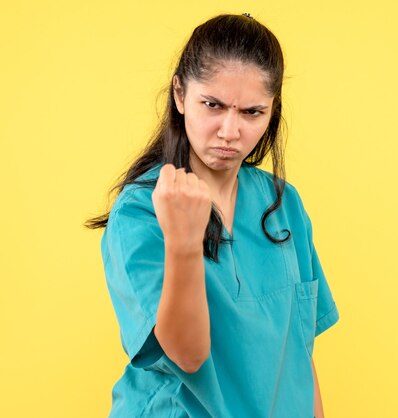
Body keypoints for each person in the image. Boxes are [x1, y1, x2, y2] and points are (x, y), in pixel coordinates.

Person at [84, 13, 340, 418]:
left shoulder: (283, 203)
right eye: (213, 105)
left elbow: (299, 352)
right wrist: (184, 242)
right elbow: (187, 355)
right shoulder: (140, 212)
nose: (229, 131)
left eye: (252, 112)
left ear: (272, 111)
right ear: (180, 94)